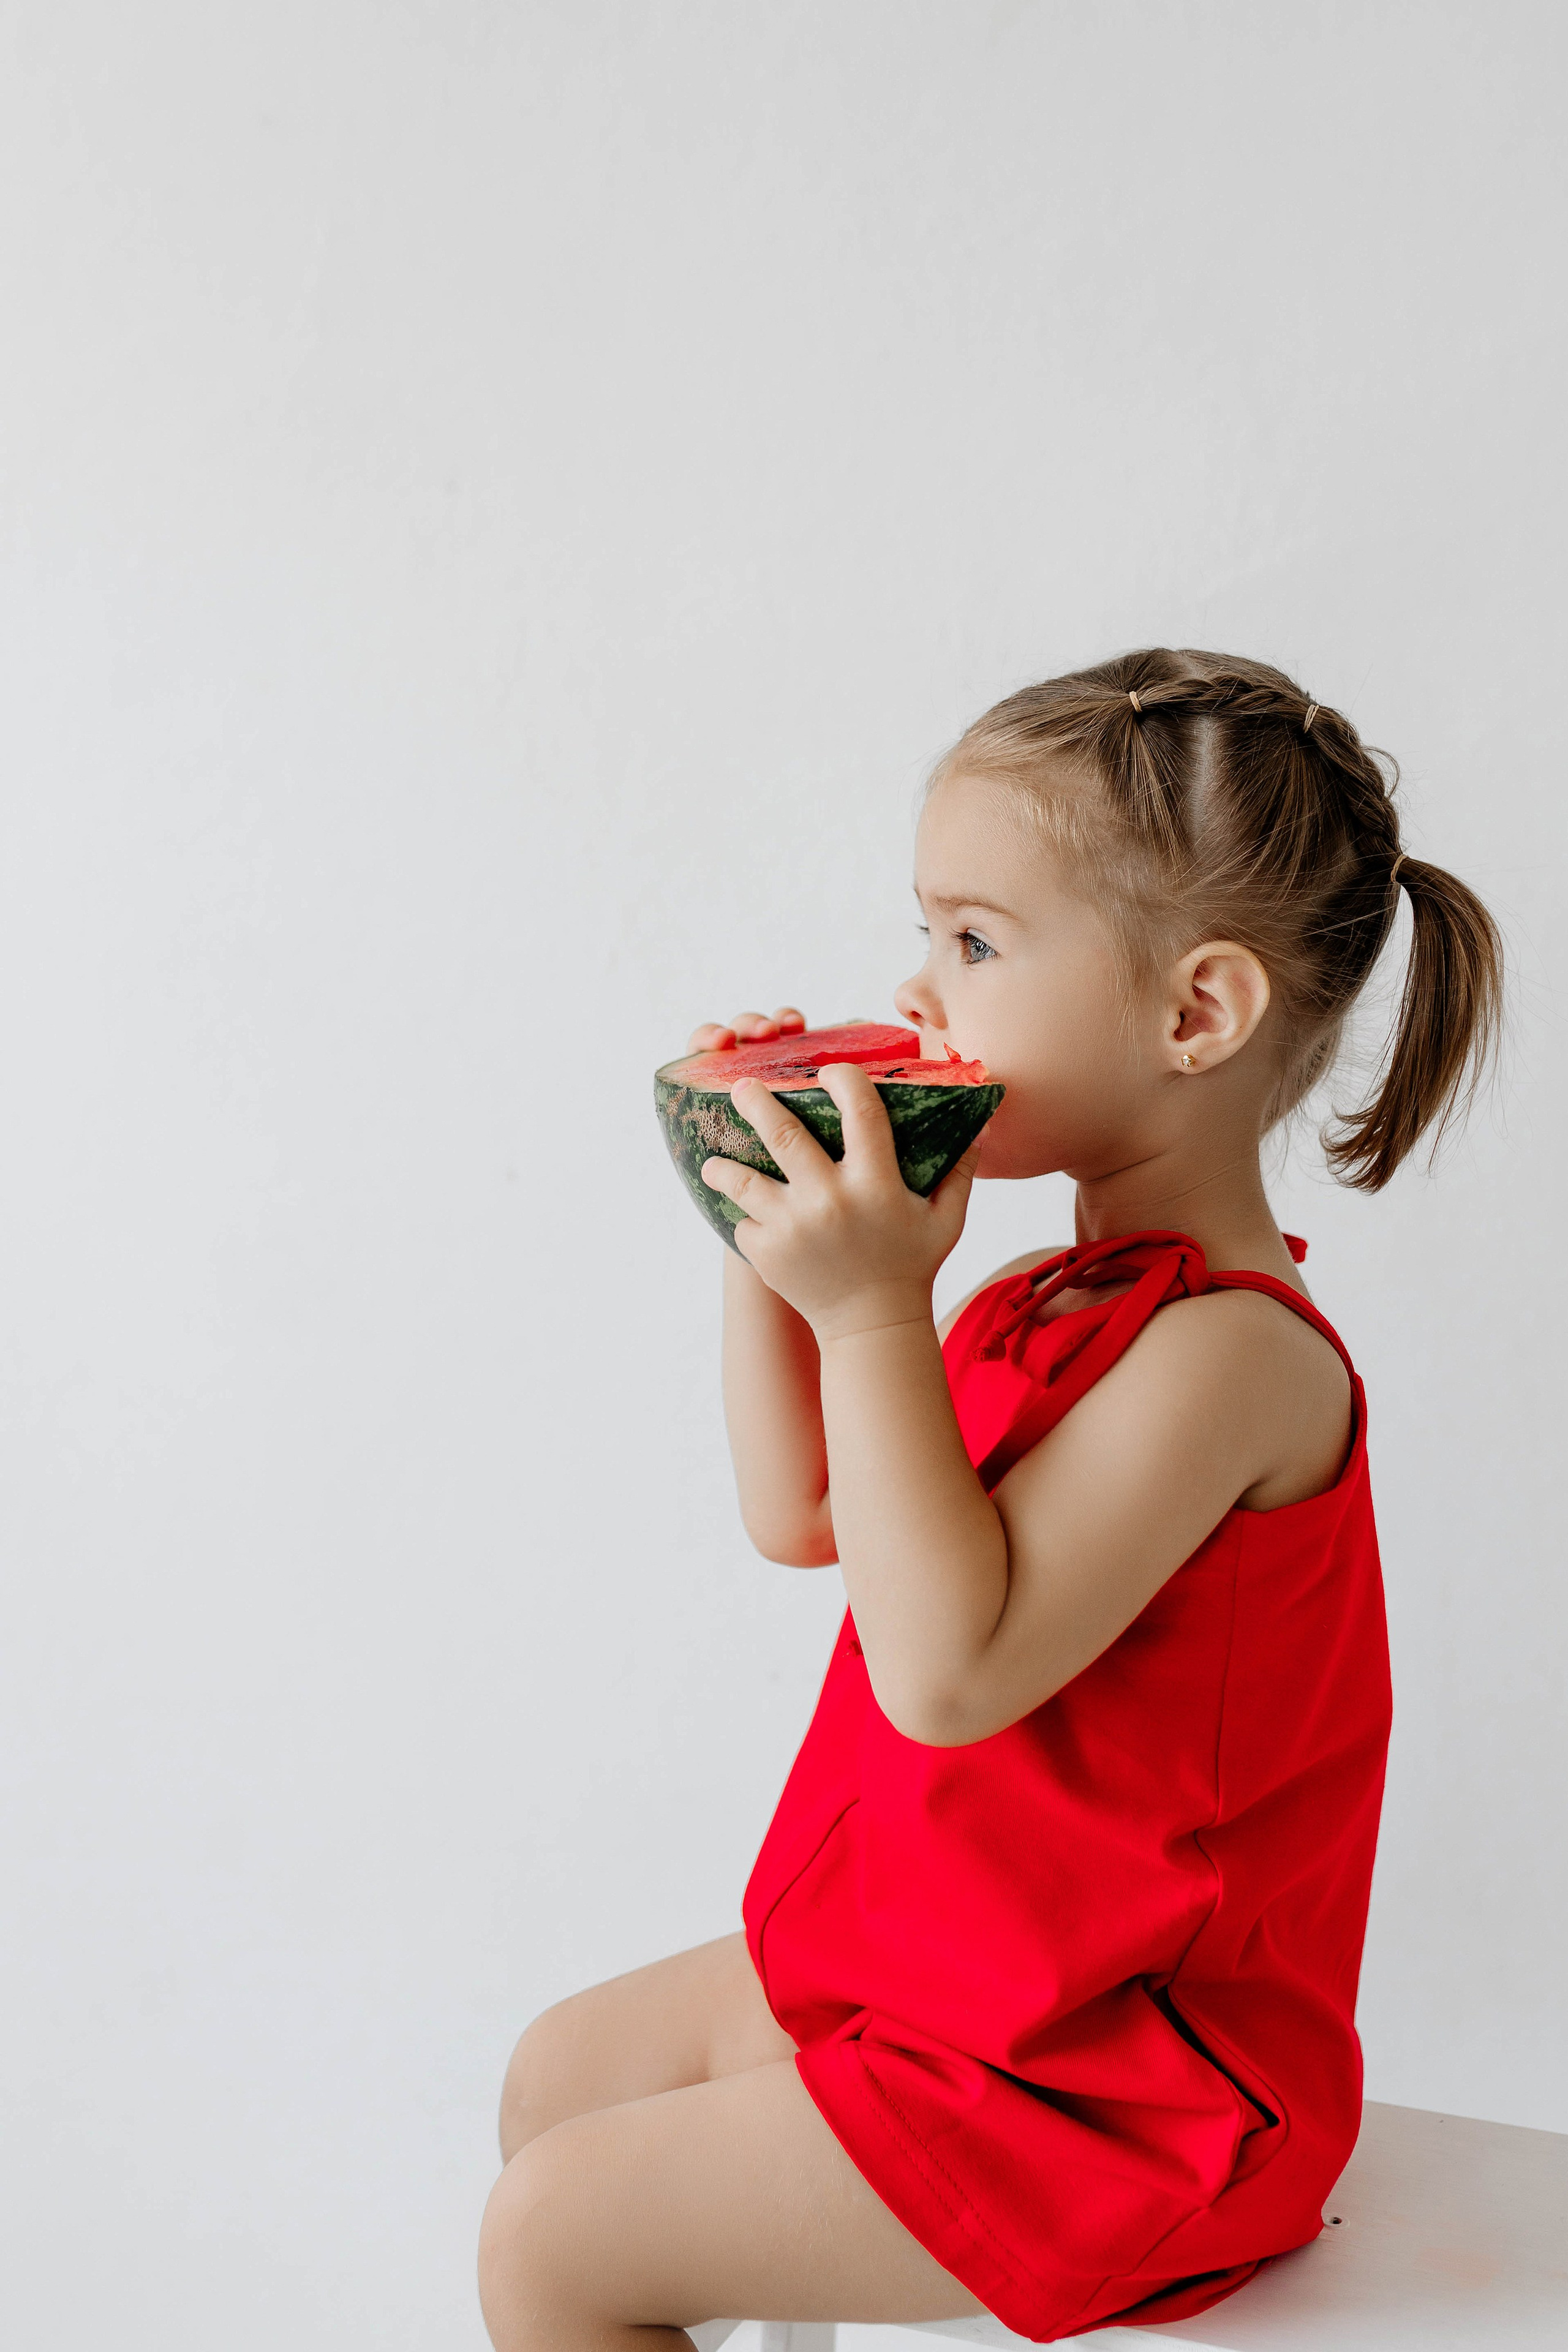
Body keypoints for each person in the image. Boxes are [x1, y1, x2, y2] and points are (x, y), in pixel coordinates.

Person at [478, 649, 1502, 2351]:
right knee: (555, 2083)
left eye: (975, 941)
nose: (918, 985)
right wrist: (767, 1221)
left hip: (1120, 2093)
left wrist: (875, 1311)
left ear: (1196, 1015)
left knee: (553, 2239)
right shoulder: (1045, 1303)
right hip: (957, 1982)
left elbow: (950, 1672)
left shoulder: (1238, 1359)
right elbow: (806, 1512)